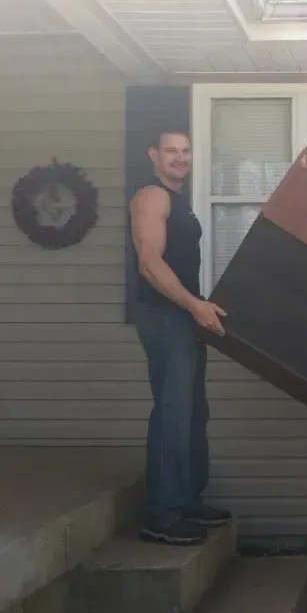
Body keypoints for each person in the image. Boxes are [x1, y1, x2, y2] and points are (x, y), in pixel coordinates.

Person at [129, 127, 232, 546]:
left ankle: (187, 500)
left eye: (185, 151)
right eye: (171, 150)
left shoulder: (180, 202)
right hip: (164, 316)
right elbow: (149, 264)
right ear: (153, 155)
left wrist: (196, 307)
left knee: (192, 411)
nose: (179, 157)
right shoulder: (152, 197)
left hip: (184, 315)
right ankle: (162, 513)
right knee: (173, 411)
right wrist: (193, 305)